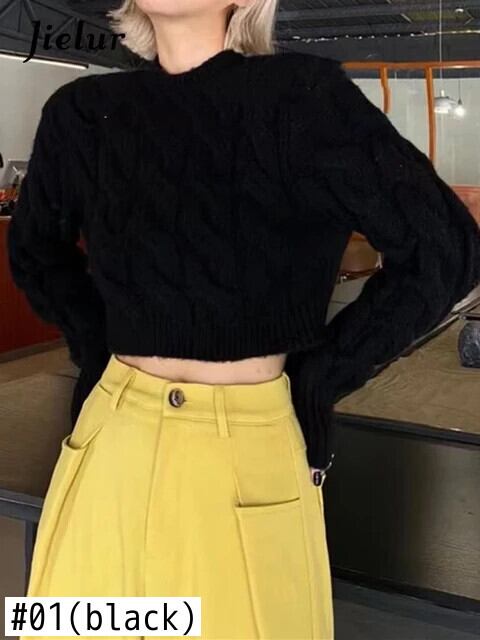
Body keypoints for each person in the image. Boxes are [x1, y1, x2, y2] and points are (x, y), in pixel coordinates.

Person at [7, 1, 480, 638]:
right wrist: (98, 350)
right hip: (107, 446)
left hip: (245, 454)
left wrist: (319, 377)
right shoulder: (83, 113)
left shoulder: (301, 99)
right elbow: (37, 250)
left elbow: (443, 249)